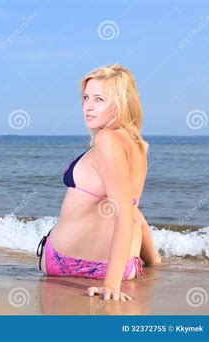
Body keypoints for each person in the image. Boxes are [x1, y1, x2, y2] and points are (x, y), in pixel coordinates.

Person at [36, 64, 161, 302]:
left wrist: (111, 286)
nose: (88, 106)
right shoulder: (138, 147)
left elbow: (124, 214)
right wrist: (152, 260)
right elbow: (132, 212)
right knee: (132, 208)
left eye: (99, 99)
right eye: (85, 98)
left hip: (63, 263)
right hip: (123, 267)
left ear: (120, 103)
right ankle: (151, 260)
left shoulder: (106, 139)